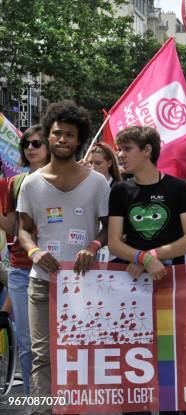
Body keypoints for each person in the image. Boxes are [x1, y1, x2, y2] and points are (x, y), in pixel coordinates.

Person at [17, 101, 110, 414]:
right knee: (42, 354)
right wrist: (34, 250)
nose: (62, 139)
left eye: (69, 135)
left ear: (78, 139)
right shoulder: (30, 183)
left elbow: (110, 228)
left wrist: (94, 246)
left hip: (85, 285)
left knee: (81, 352)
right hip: (41, 284)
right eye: (57, 133)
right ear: (48, 135)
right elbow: (23, 230)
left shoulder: (97, 183)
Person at [108, 126, 186, 281]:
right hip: (131, 280)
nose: (120, 155)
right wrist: (144, 259)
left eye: (127, 149)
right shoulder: (119, 190)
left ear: (147, 150)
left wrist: (151, 256)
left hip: (172, 280)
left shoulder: (180, 188)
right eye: (119, 149)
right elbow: (114, 243)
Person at [0, 124, 50, 395]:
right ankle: (35, 401)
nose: (30, 148)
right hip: (21, 270)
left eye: (36, 143)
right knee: (27, 340)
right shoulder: (15, 183)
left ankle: (61, 400)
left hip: (56, 269)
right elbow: (12, 228)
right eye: (26, 144)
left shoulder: (63, 179)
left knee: (54, 340)